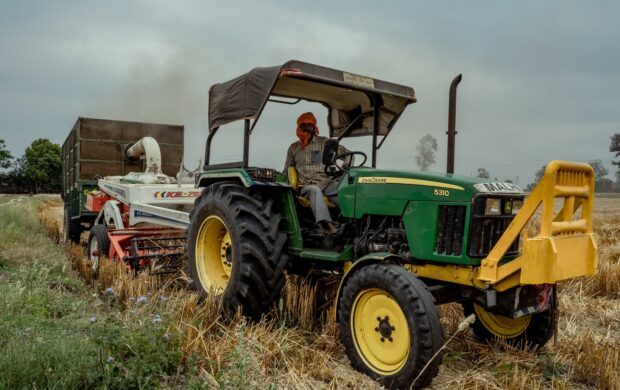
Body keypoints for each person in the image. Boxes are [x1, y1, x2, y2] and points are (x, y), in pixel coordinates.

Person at [283, 112, 351, 234]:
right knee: (315, 190)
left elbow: (348, 154)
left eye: (310, 124)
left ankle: (352, 222)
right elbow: (286, 170)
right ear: (299, 127)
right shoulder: (293, 148)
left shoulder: (325, 143)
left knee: (346, 191)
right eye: (303, 125)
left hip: (326, 183)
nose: (306, 128)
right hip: (306, 186)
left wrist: (346, 164)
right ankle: (327, 225)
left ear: (314, 127)